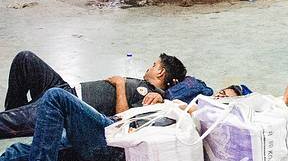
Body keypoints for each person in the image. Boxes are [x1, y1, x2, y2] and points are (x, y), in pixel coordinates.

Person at [0, 51, 186, 138]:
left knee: (5, 122)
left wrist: (120, 85)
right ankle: (17, 110)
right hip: (64, 89)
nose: (149, 67)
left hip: (64, 106)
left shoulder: (152, 97)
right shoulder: (144, 85)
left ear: (161, 72)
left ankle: (18, 117)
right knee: (25, 59)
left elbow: (122, 121)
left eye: (154, 65)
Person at [0, 88, 126, 161]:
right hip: (117, 126)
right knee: (27, 151)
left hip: (120, 137)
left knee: (55, 97)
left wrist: (120, 85)